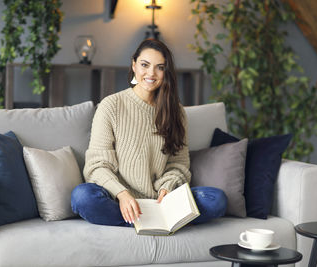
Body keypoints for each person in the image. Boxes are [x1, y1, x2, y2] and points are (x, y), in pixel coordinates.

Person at [71, 39, 227, 227]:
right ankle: (152, 222)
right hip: (118, 199)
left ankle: (147, 220)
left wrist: (167, 188)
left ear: (166, 72)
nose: (151, 73)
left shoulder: (175, 111)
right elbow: (97, 166)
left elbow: (179, 164)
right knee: (82, 197)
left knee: (216, 199)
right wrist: (122, 194)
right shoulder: (111, 106)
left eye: (159, 67)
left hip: (161, 202)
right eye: (145, 65)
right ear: (134, 65)